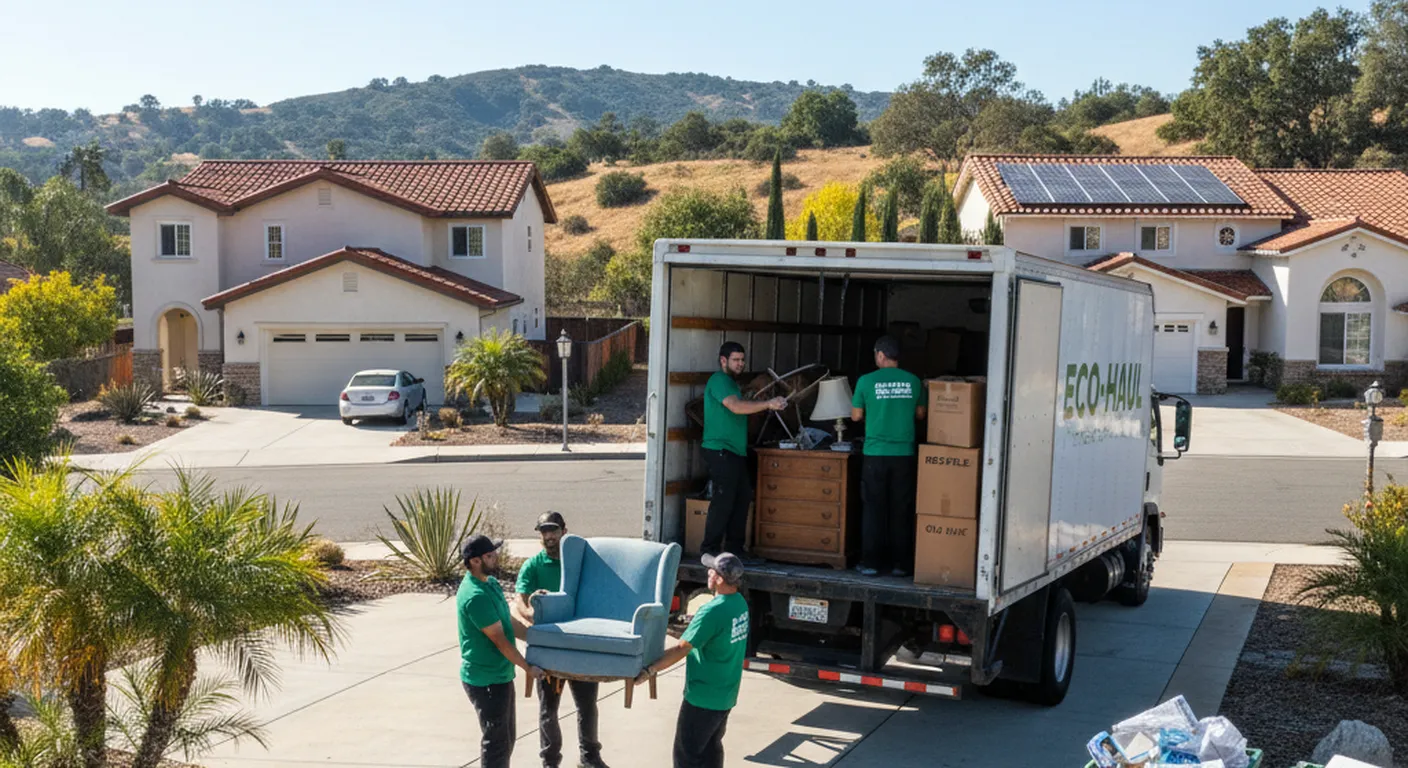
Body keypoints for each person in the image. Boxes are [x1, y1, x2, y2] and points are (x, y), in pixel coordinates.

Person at [512, 512, 609, 768]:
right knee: (548, 710)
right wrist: (530, 613)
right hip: (548, 649)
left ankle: (590, 757)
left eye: (553, 530)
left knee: (587, 705)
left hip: (579, 645)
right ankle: (550, 761)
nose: (549, 536)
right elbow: (518, 600)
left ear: (564, 531)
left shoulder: (578, 563)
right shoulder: (533, 565)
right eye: (544, 531)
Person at [637, 553, 749, 768]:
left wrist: (649, 669)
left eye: (711, 570)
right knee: (710, 749)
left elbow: (682, 648)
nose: (707, 572)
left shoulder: (712, 611)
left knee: (686, 756)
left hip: (702, 697)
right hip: (726, 693)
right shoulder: (739, 604)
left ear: (718, 579)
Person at [457, 534, 544, 768]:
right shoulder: (475, 597)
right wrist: (528, 666)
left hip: (500, 676)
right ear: (475, 561)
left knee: (506, 739)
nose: (496, 557)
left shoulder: (490, 583)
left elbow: (508, 623)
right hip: (485, 681)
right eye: (489, 555)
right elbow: (501, 642)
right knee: (496, 744)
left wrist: (537, 638)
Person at [701, 341, 786, 560]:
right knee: (724, 500)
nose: (741, 364)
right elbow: (735, 407)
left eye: (742, 359)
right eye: (736, 360)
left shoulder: (732, 384)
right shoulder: (719, 380)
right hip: (720, 450)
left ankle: (734, 551)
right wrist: (767, 404)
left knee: (742, 499)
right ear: (723, 361)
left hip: (736, 451)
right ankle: (709, 550)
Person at [850, 335, 926, 577]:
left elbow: (855, 416)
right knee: (900, 509)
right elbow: (922, 414)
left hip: (875, 454)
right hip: (904, 454)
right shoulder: (914, 381)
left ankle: (871, 563)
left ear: (880, 355)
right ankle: (901, 565)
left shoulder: (865, 381)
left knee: (873, 509)